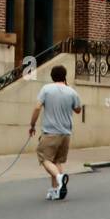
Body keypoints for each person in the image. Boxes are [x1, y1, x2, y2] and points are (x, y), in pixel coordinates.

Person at [29, 64, 82, 200]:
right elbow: (78, 110)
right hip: (66, 134)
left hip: (50, 132)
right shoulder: (71, 91)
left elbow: (37, 107)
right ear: (65, 76)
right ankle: (55, 190)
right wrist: (68, 87)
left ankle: (59, 177)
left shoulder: (46, 89)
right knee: (57, 161)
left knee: (44, 158)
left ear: (52, 76)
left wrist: (32, 125)